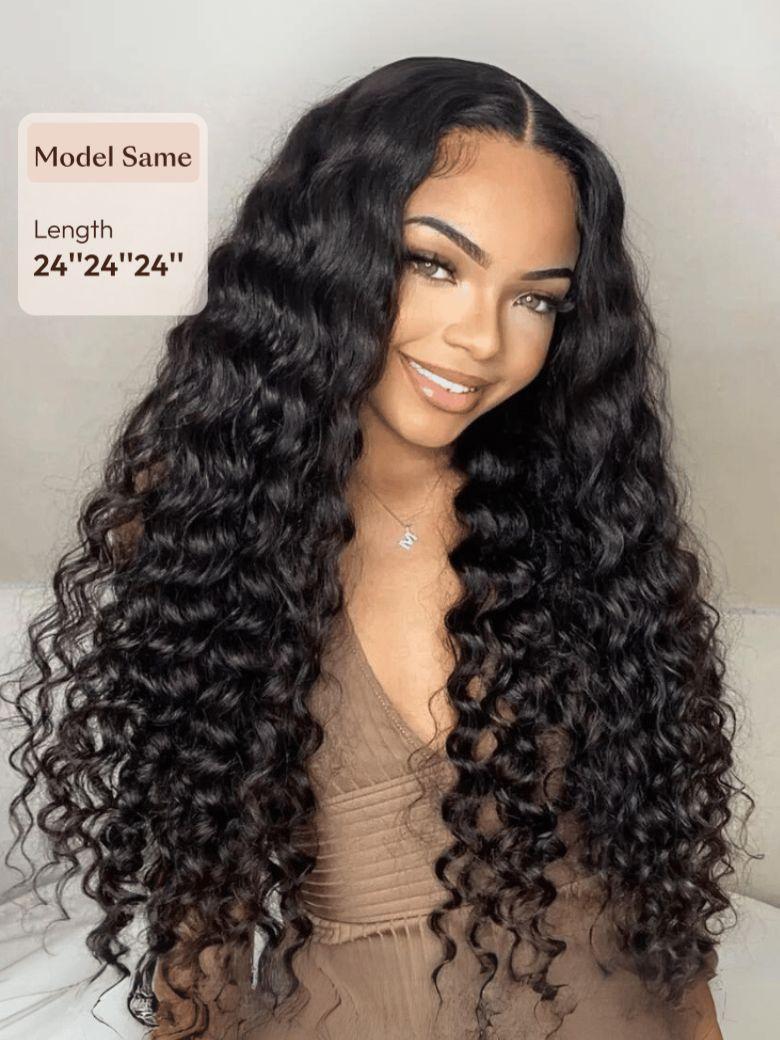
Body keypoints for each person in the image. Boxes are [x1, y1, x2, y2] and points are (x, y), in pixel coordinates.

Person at [1, 55, 749, 1040]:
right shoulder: (222, 522)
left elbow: (660, 887)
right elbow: (204, 914)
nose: (482, 338)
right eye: (435, 263)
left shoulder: (594, 520)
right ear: (328, 257)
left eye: (535, 298)